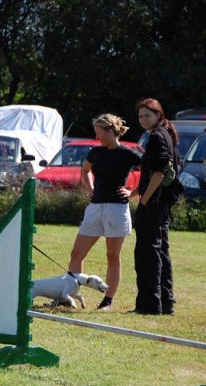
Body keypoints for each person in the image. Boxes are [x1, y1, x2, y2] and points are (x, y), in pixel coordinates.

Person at [67, 113, 142, 311]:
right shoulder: (95, 152)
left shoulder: (128, 154)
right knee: (76, 254)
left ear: (110, 132)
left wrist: (133, 192)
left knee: (112, 256)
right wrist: (90, 189)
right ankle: (70, 296)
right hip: (95, 207)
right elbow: (85, 171)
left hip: (117, 209)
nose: (97, 137)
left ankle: (107, 301)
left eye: (99, 133)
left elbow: (151, 172)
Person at [127, 98, 180, 315]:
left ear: (159, 115)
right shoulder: (165, 133)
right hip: (163, 203)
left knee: (147, 254)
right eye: (140, 116)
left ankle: (149, 305)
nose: (143, 119)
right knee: (161, 252)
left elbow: (158, 173)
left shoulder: (158, 137)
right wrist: (135, 192)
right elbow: (155, 172)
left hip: (155, 203)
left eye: (147, 115)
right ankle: (166, 302)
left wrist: (145, 199)